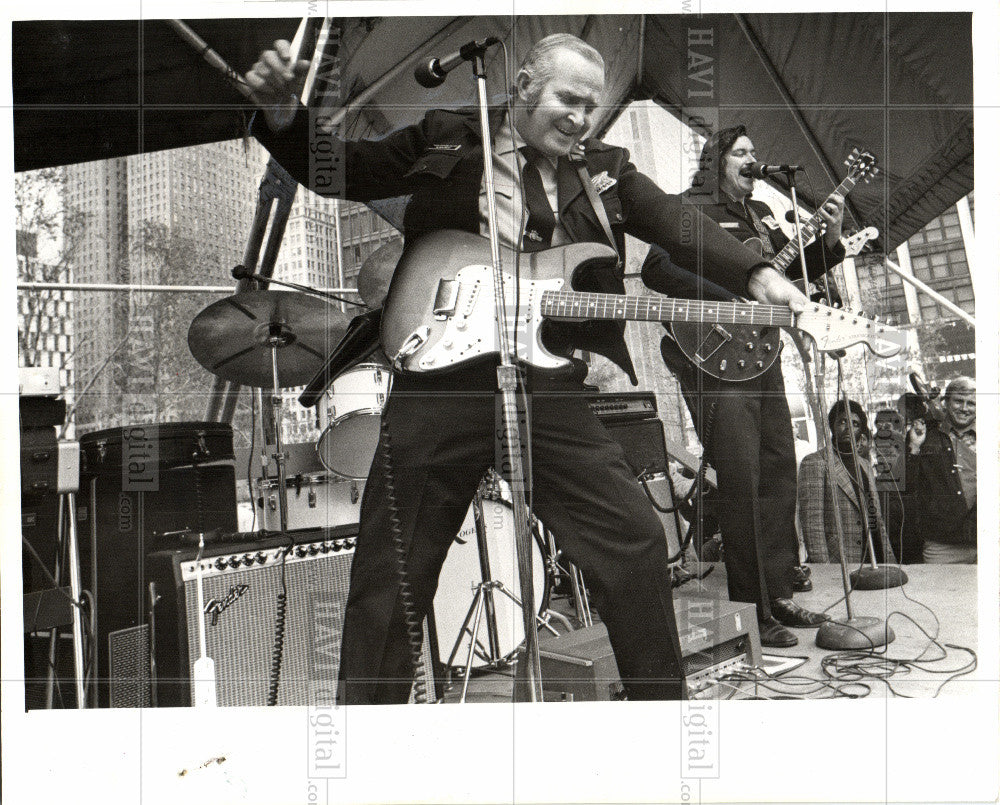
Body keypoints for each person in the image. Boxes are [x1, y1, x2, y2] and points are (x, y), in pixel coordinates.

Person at [246, 35, 808, 703]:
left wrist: (760, 274)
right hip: (440, 382)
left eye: (591, 107)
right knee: (390, 579)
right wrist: (286, 119)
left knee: (631, 537)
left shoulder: (604, 168)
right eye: (569, 100)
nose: (580, 118)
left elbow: (676, 223)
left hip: (544, 383)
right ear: (521, 90)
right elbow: (345, 171)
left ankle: (664, 718)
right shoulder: (447, 135)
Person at [641, 124, 842, 647]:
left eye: (756, 152)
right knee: (743, 477)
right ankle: (752, 607)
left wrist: (831, 238)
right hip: (716, 354)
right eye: (742, 152)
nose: (753, 159)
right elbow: (657, 268)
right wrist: (730, 294)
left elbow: (790, 273)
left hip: (762, 355)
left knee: (779, 467)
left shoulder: (761, 217)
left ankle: (778, 595)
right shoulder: (690, 208)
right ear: (716, 160)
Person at [798, 399, 897, 565]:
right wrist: (824, 570)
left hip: (874, 556)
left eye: (855, 424)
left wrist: (890, 560)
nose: (849, 428)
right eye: (842, 422)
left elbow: (877, 518)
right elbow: (812, 524)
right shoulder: (816, 462)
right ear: (832, 426)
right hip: (840, 561)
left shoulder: (864, 464)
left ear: (861, 430)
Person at [906, 377, 976, 564]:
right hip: (941, 546)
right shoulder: (925, 434)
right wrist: (914, 447)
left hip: (986, 540)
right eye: (958, 401)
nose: (964, 408)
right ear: (946, 402)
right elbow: (909, 485)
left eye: (971, 403)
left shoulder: (993, 435)